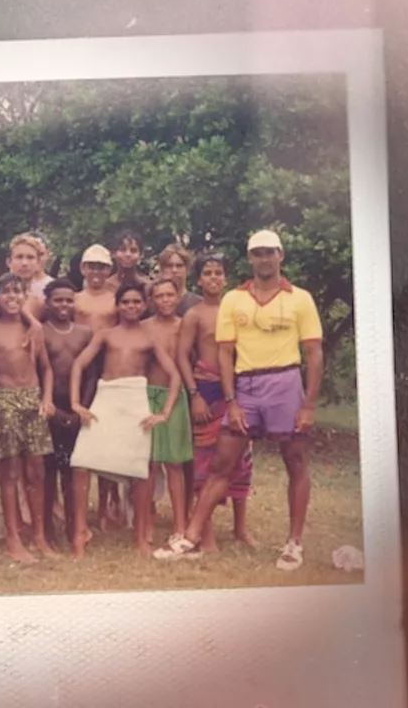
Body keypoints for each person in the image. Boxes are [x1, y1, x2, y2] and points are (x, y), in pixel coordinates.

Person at [156, 229, 323, 569]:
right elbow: (224, 352)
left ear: (281, 255)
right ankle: (190, 537)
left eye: (270, 252)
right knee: (221, 462)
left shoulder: (300, 298)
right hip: (246, 385)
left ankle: (294, 543)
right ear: (250, 258)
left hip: (286, 382)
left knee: (295, 460)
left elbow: (315, 353)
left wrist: (308, 404)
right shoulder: (235, 298)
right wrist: (231, 400)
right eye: (257, 253)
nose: (264, 258)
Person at [68, 283, 183, 557]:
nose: (131, 307)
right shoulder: (105, 335)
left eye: (136, 302)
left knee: (139, 473)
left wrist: (164, 413)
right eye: (126, 302)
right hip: (106, 398)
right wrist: (76, 403)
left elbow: (175, 375)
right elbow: (78, 365)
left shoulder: (149, 337)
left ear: (144, 305)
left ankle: (141, 535)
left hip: (135, 401)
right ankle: (80, 531)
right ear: (117, 306)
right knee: (82, 463)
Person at [176, 252, 256, 552]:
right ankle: (205, 535)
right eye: (207, 273)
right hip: (207, 390)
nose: (213, 278)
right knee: (206, 463)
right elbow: (182, 356)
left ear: (225, 277)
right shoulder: (194, 314)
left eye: (218, 273)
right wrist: (194, 393)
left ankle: (240, 528)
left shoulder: (236, 309)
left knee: (241, 458)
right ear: (199, 279)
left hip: (239, 389)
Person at [0, 273, 56, 562]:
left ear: (25, 297)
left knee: (36, 469)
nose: (12, 297)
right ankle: (13, 537)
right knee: (10, 471)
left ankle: (38, 534)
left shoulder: (34, 330)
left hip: (32, 398)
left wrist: (46, 398)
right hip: (4, 399)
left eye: (18, 292)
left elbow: (46, 368)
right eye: (6, 292)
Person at [72, 244, 125, 532]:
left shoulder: (115, 300)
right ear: (83, 268)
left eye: (102, 267)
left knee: (107, 436)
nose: (96, 272)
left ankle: (108, 502)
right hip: (79, 367)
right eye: (91, 266)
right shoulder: (76, 299)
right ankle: (76, 505)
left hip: (107, 369)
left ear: (109, 270)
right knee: (82, 436)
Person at [40, 279, 94, 554]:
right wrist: (49, 407)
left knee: (74, 470)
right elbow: (37, 372)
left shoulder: (85, 333)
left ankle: (77, 526)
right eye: (58, 300)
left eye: (68, 300)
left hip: (77, 409)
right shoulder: (39, 332)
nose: (64, 305)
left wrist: (80, 407)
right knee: (48, 469)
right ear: (47, 302)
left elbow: (91, 374)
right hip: (48, 407)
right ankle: (47, 528)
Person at [141, 279, 195, 545]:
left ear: (177, 297)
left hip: (175, 397)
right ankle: (147, 521)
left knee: (174, 464)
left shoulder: (185, 326)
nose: (164, 300)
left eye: (169, 295)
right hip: (148, 396)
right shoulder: (143, 327)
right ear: (151, 299)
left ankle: (180, 524)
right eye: (159, 296)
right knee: (149, 463)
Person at [0, 233, 50, 318]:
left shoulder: (38, 302)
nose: (24, 263)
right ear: (9, 262)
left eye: (30, 257)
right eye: (19, 257)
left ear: (38, 263)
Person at [156, 244, 203, 316]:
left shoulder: (199, 304)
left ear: (187, 269)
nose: (174, 270)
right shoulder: (153, 304)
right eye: (169, 266)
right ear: (162, 269)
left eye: (179, 266)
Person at [105, 226, 147, 291]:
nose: (128, 254)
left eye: (133, 250)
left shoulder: (147, 287)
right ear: (113, 253)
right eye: (122, 249)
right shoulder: (105, 286)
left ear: (141, 255)